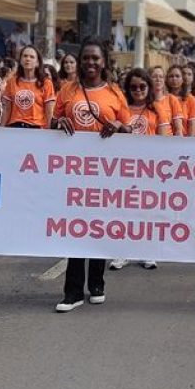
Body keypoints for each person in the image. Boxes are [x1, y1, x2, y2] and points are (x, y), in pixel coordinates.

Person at [52, 38, 132, 312]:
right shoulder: (67, 90)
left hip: (104, 174)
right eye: (85, 57)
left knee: (98, 227)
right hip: (73, 173)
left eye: (95, 58)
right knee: (75, 229)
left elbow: (130, 131)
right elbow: (53, 122)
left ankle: (97, 284)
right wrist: (59, 122)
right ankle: (72, 291)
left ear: (104, 61)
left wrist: (118, 124)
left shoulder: (115, 93)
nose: (90, 62)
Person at [108, 68, 170, 271]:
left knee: (147, 212)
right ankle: (122, 252)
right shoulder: (122, 108)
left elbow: (164, 140)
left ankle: (147, 251)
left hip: (149, 169)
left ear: (149, 87)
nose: (138, 90)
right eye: (133, 87)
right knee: (123, 211)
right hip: (124, 167)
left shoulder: (157, 109)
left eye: (142, 86)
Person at [1, 45, 56, 129]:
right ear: (20, 60)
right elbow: (6, 109)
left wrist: (48, 132)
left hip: (36, 128)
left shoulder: (46, 83)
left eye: (32, 57)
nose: (28, 59)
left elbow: (49, 112)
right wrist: (1, 129)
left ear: (37, 62)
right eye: (25, 56)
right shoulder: (12, 81)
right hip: (15, 127)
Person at [166, 65, 195, 137]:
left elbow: (192, 126)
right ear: (167, 79)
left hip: (183, 139)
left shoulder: (190, 99)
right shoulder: (163, 98)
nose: (174, 79)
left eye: (177, 76)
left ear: (182, 79)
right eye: (171, 76)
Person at [150, 66, 183, 137]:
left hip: (168, 140)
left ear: (164, 79)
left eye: (161, 77)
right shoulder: (146, 101)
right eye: (154, 77)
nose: (158, 79)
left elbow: (178, 130)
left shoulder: (172, 99)